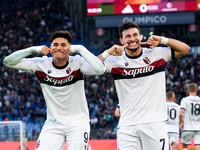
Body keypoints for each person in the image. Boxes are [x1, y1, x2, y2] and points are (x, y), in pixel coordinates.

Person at [3, 30, 105, 150]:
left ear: (69, 47)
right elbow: (7, 62)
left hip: (78, 123)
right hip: (53, 124)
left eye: (63, 45)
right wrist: (33, 49)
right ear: (50, 47)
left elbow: (100, 70)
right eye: (55, 44)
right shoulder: (41, 64)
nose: (59, 48)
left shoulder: (77, 62)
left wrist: (81, 49)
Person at [98, 21, 190, 150]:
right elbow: (92, 67)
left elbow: (185, 49)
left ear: (140, 36)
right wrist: (108, 52)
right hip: (127, 126)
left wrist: (162, 39)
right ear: (121, 40)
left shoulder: (156, 54)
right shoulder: (115, 60)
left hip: (155, 123)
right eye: (128, 36)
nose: (132, 39)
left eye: (135, 35)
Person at [179, 83, 200, 150]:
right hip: (198, 127)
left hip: (188, 127)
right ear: (196, 90)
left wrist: (181, 123)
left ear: (188, 90)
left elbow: (180, 114)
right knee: (198, 145)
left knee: (184, 145)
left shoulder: (185, 100)